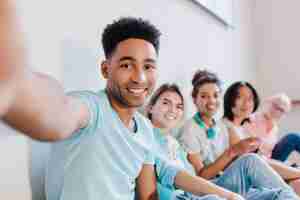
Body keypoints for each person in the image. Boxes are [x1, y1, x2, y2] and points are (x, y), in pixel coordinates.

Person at [0, 5, 242, 200]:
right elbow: (58, 112)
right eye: (127, 65)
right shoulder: (90, 107)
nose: (140, 77)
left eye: (148, 66)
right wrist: (15, 82)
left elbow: (149, 194)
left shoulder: (145, 129)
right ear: (106, 69)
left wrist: (227, 195)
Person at [179, 69, 299, 199]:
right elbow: (201, 177)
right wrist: (233, 151)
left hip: (229, 180)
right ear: (194, 98)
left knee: (277, 194)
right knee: (250, 160)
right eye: (204, 96)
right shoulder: (190, 130)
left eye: (215, 95)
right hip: (211, 187)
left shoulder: (219, 126)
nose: (211, 101)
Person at [146, 83, 244, 200]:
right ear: (150, 107)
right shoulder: (147, 138)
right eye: (166, 103)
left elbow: (193, 177)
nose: (173, 110)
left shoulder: (174, 144)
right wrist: (229, 195)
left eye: (179, 106)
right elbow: (176, 175)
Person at [222, 81, 300, 195]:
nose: (245, 104)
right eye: (239, 97)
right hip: (257, 162)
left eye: (249, 99)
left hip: (264, 160)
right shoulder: (244, 123)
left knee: (292, 140)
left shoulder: (272, 127)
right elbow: (252, 158)